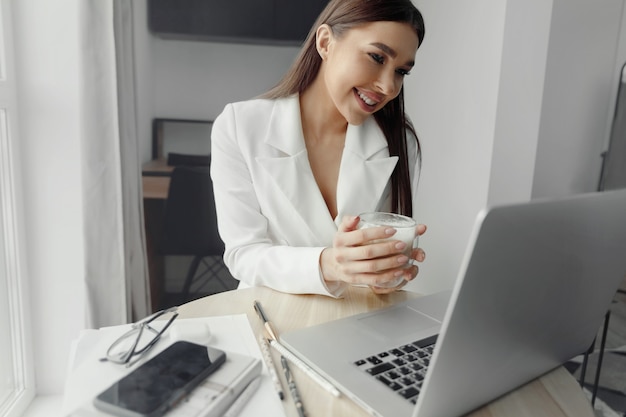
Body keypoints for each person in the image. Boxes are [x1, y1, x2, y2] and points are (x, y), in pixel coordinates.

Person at [210, 0, 427, 297]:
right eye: (377, 57)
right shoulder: (240, 125)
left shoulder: (399, 140)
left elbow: (378, 261)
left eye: (402, 71)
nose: (389, 86)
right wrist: (329, 264)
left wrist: (388, 273)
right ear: (325, 42)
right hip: (269, 318)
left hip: (357, 324)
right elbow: (243, 254)